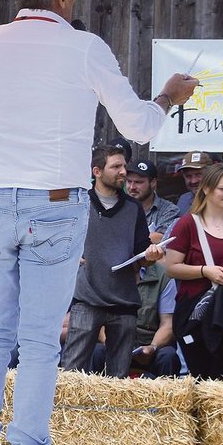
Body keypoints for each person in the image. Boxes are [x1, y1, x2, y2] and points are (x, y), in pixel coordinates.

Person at [0, 0, 198, 445]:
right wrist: (169, 96)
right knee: (41, 340)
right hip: (54, 198)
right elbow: (137, 124)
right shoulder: (84, 47)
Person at [62, 147, 155, 377]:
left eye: (124, 165)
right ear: (97, 171)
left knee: (118, 378)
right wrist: (68, 254)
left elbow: (141, 254)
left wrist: (151, 256)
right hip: (86, 299)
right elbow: (55, 239)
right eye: (116, 166)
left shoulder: (134, 208)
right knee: (72, 373)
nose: (123, 171)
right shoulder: (78, 203)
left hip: (124, 302)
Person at [162, 163, 223, 379]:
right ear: (207, 188)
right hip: (197, 310)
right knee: (201, 374)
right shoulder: (187, 224)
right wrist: (206, 271)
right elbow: (171, 267)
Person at [125, 159, 179, 239]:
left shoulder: (169, 210)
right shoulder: (118, 207)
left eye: (138, 182)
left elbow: (161, 238)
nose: (132, 187)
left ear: (153, 183)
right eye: (129, 181)